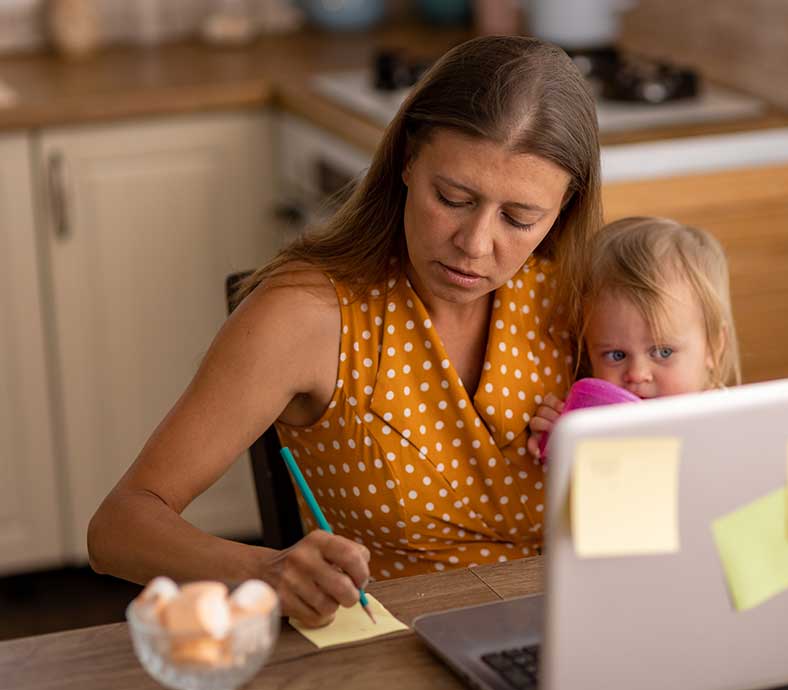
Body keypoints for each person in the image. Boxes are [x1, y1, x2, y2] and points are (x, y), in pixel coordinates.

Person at [88, 35, 602, 628]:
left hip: (563, 637)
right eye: (453, 197)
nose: (475, 243)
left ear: (563, 209)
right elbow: (118, 526)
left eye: (519, 218)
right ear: (408, 161)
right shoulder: (306, 312)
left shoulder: (583, 298)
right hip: (385, 651)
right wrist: (263, 570)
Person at [528, 216, 740, 457]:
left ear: (714, 347)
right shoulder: (594, 420)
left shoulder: (729, 422)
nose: (637, 375)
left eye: (663, 352)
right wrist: (563, 441)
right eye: (616, 355)